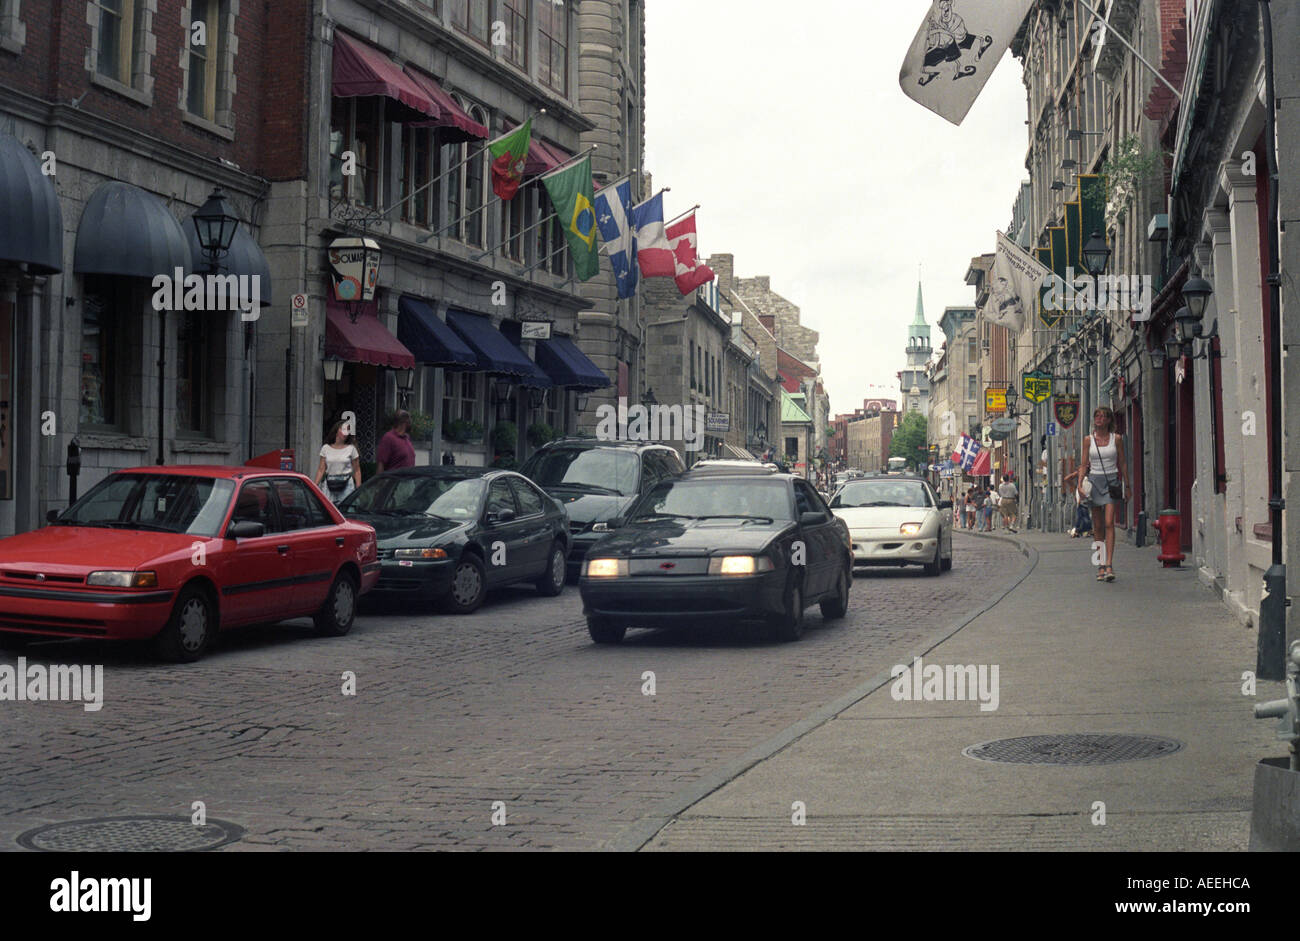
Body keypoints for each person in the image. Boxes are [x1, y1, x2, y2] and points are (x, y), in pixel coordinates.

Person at [1078, 406, 1129, 581]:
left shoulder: (1117, 439)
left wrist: (1127, 485)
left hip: (1112, 482)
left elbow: (1122, 462)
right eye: (1097, 416)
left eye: (1103, 416)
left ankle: (1109, 564)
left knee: (1109, 523)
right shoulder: (1088, 440)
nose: (1099, 419)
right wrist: (1079, 484)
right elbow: (1084, 464)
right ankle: (1099, 564)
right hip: (1094, 482)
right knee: (1097, 526)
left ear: (1109, 420)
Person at [315, 419, 361, 505]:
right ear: (336, 431)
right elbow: (321, 469)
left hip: (346, 485)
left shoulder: (351, 449)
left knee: (346, 510)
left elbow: (357, 470)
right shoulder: (326, 448)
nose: (346, 432)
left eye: (348, 430)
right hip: (329, 484)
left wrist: (358, 489)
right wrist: (315, 485)